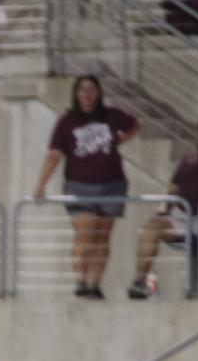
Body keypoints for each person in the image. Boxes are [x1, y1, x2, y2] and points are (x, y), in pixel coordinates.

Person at [32, 74, 140, 299]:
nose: (87, 94)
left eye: (91, 89)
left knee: (103, 235)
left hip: (112, 184)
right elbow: (54, 155)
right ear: (76, 93)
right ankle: (80, 281)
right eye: (82, 89)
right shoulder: (67, 121)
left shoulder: (111, 115)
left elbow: (135, 124)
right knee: (85, 232)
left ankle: (95, 283)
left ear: (98, 92)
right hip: (79, 185)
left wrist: (120, 139)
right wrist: (40, 184)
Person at [128, 115, 198, 300]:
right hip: (183, 215)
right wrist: (164, 207)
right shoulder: (188, 160)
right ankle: (140, 282)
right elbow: (173, 189)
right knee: (151, 229)